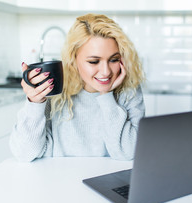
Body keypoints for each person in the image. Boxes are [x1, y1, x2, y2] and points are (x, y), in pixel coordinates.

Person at [10, 13, 145, 162]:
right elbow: (24, 153)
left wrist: (106, 95)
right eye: (94, 61)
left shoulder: (129, 90)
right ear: (73, 59)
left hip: (105, 182)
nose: (106, 71)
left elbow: (128, 153)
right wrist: (34, 104)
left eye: (114, 60)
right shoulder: (54, 88)